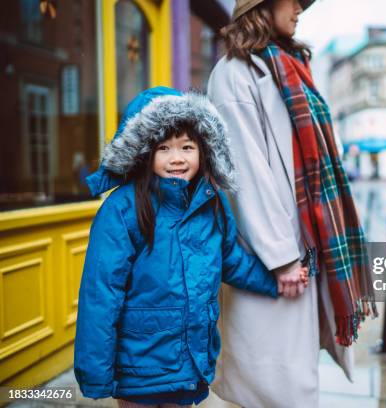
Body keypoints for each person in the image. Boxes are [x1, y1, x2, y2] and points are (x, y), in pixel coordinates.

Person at [73, 87, 297, 407]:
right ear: (145, 152)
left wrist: (276, 279)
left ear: (203, 150)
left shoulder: (211, 201)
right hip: (139, 364)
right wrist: (96, 370)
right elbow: (101, 292)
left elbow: (232, 259)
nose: (177, 158)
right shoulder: (123, 209)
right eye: (164, 148)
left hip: (190, 358)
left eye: (187, 146)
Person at [207, 0, 377, 406]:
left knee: (292, 374)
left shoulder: (288, 65)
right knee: (273, 383)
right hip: (273, 260)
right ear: (261, 6)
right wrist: (281, 256)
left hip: (304, 247)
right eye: (292, 0)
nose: (300, 8)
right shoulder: (235, 74)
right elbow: (245, 175)